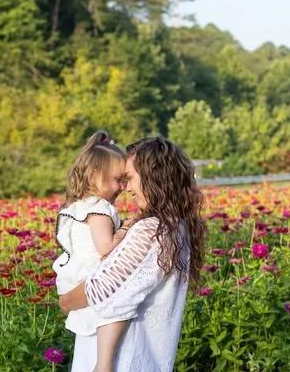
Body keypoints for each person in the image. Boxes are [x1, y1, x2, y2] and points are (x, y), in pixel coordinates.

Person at [59, 136, 207, 372]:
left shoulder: (151, 230)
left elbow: (102, 290)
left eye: (130, 178)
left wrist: (66, 301)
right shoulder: (178, 226)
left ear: (153, 177)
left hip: (118, 361)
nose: (126, 188)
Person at [53, 130, 132, 372]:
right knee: (117, 311)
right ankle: (104, 364)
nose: (123, 187)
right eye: (118, 179)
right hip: (88, 278)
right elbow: (105, 247)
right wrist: (125, 230)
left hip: (74, 278)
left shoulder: (81, 205)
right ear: (95, 175)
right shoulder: (99, 209)